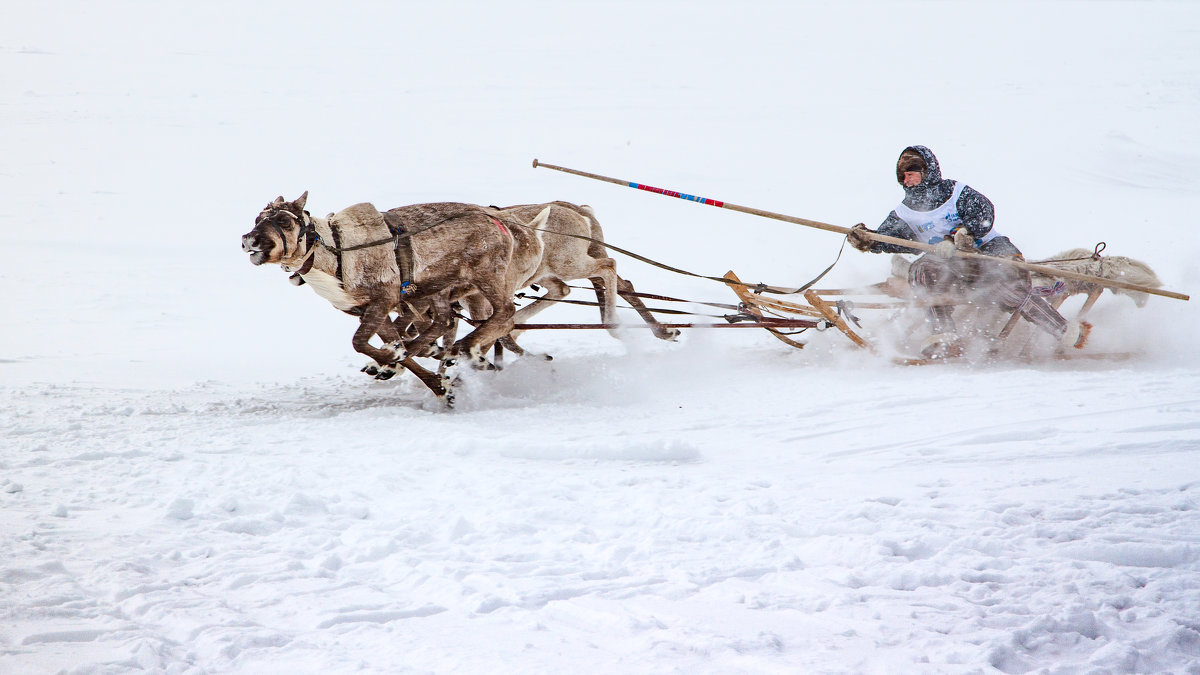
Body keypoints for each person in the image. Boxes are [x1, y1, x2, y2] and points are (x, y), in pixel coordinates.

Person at [847, 145, 1087, 357]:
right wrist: (867, 239)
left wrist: (962, 235)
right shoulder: (904, 212)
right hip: (948, 266)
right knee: (921, 271)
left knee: (1006, 287)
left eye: (912, 174)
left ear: (927, 173)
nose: (907, 181)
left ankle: (1065, 330)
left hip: (987, 254)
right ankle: (945, 337)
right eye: (903, 177)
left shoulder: (956, 193)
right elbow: (890, 239)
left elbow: (984, 213)